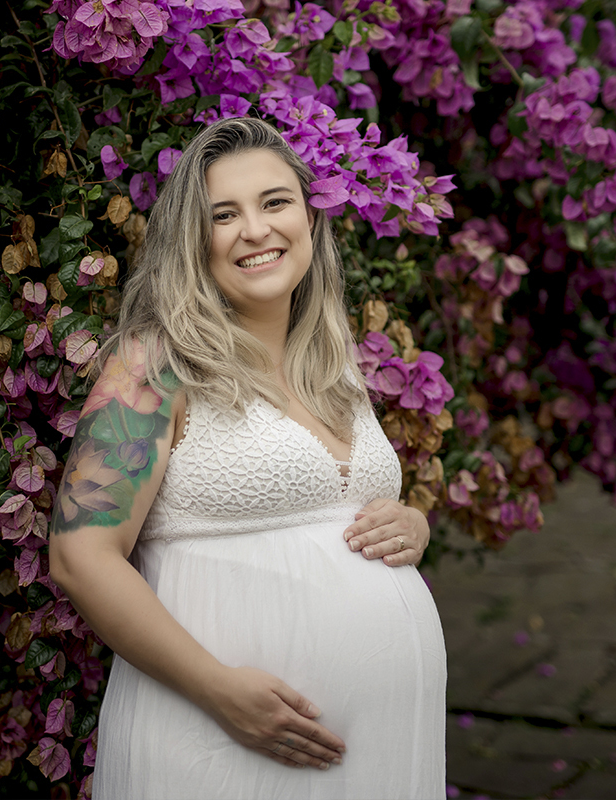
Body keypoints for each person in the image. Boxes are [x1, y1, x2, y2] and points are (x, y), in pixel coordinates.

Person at [49, 117, 446, 799]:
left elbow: (334, 513)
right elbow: (80, 556)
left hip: (381, 753)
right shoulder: (152, 366)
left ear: (311, 221)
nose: (256, 230)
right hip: (217, 739)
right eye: (223, 214)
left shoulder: (334, 367)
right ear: (191, 241)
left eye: (275, 202)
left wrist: (413, 527)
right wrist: (219, 690)